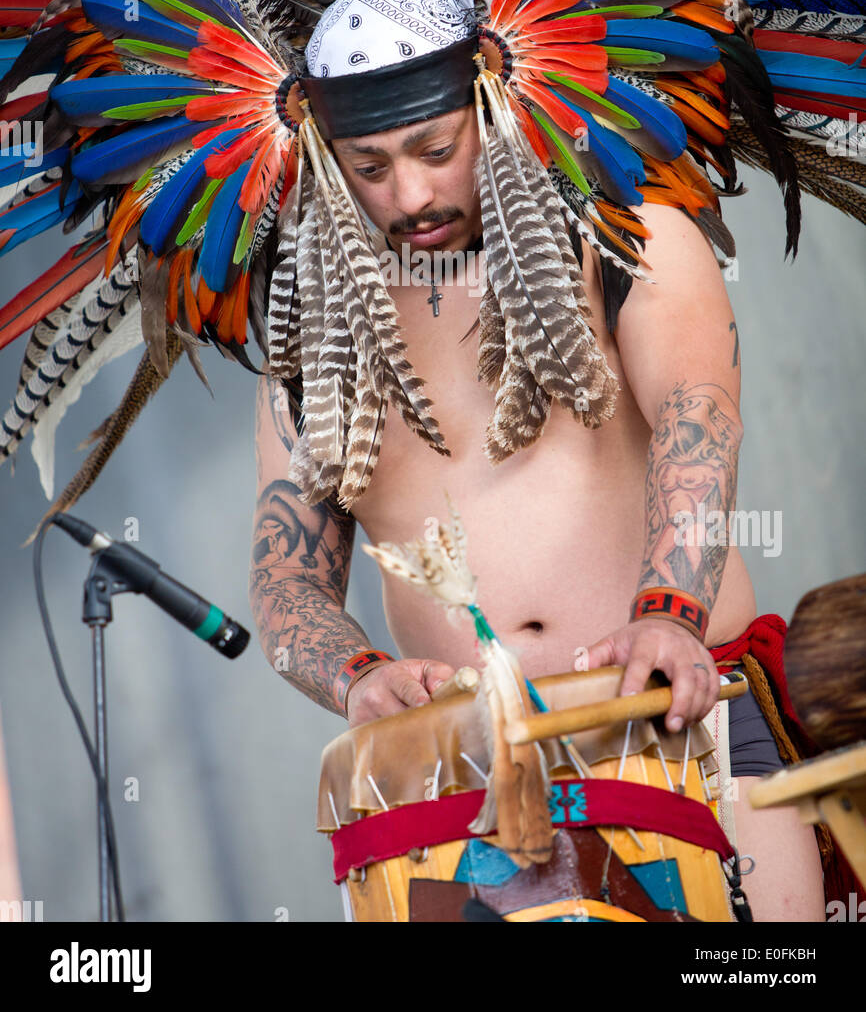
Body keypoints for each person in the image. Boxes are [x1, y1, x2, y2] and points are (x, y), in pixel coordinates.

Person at [250, 82, 825, 924]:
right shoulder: (312, 336)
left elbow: (697, 418)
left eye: (436, 152)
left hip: (675, 710)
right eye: (369, 166)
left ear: (490, 113)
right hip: (466, 769)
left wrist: (669, 614)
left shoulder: (624, 234)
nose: (409, 195)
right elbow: (285, 583)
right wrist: (357, 676)